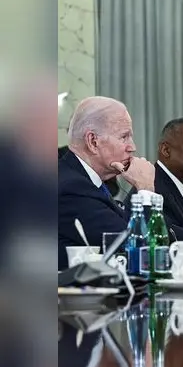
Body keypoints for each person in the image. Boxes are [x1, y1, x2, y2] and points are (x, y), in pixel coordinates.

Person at [58, 96, 155, 268]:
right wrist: (145, 190)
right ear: (93, 142)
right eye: (124, 137)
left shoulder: (85, 180)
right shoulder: (71, 188)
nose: (132, 147)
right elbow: (137, 253)